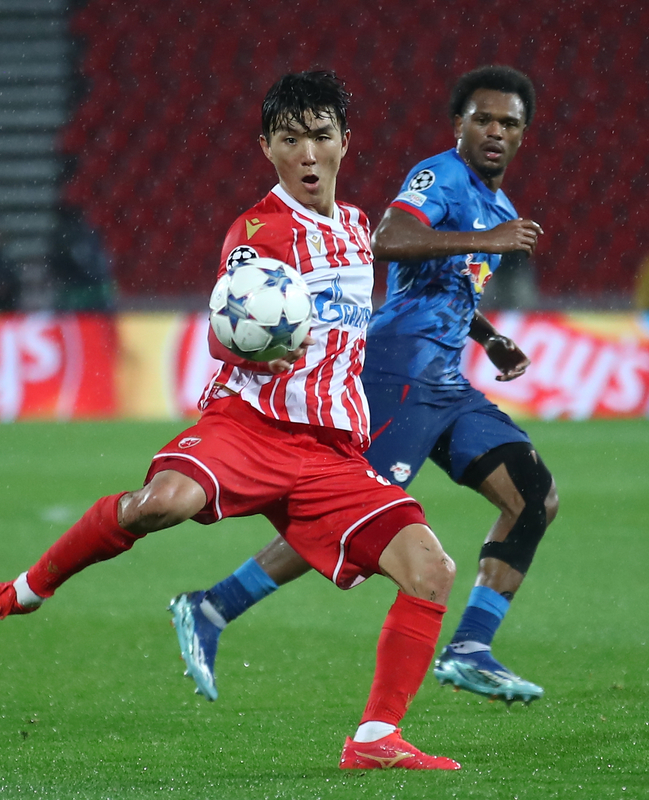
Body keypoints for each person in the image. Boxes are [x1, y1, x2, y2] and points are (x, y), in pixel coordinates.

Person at [0, 71, 461, 771]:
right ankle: (24, 592)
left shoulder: (361, 229)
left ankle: (373, 740)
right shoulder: (257, 233)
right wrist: (261, 345)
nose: (307, 153)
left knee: (431, 569)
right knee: (163, 503)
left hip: (334, 449)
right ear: (266, 149)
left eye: (320, 136)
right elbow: (223, 325)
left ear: (345, 142)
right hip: (250, 424)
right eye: (289, 139)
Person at [171, 65, 559, 708]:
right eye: (482, 119)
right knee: (351, 514)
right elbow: (391, 238)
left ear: (524, 135)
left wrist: (487, 336)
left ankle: (471, 647)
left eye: (508, 123)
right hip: (394, 370)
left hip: (445, 379)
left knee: (534, 497)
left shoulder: (501, 208)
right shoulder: (441, 177)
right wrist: (487, 239)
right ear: (458, 126)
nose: (494, 131)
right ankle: (212, 606)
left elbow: (454, 283)